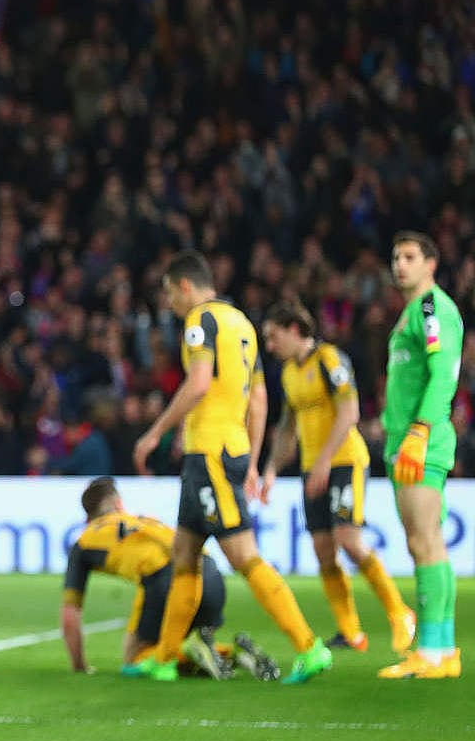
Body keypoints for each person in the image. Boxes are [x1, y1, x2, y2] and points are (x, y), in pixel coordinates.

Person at [129, 250, 332, 684]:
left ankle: (308, 646)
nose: (169, 303)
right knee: (184, 555)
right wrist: (253, 461)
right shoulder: (242, 324)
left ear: (185, 286)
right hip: (226, 450)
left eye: (169, 293)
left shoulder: (200, 321)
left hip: (211, 453)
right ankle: (165, 658)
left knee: (242, 555)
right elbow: (258, 399)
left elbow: (199, 383)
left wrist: (156, 432)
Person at [260, 299, 414, 653]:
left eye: (273, 337)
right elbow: (286, 428)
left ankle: (399, 612)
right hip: (312, 468)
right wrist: (270, 470)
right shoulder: (288, 373)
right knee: (322, 550)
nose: (270, 346)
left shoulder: (330, 360)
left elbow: (350, 413)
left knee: (349, 540)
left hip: (344, 461)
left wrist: (325, 461)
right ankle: (351, 632)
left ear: (294, 330)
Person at [62, 478, 277, 680]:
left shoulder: (84, 543)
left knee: (135, 658)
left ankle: (189, 651)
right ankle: (232, 652)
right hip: (210, 573)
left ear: (87, 517)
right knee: (179, 639)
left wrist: (79, 665)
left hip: (166, 580)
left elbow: (70, 615)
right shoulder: (145, 520)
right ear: (119, 503)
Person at [377, 231, 463, 679]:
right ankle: (443, 650)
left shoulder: (432, 309)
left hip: (420, 445)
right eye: (395, 257)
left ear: (431, 263)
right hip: (406, 444)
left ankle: (431, 651)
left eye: (410, 257)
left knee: (424, 543)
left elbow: (444, 373)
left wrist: (420, 430)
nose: (400, 265)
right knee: (429, 544)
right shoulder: (413, 312)